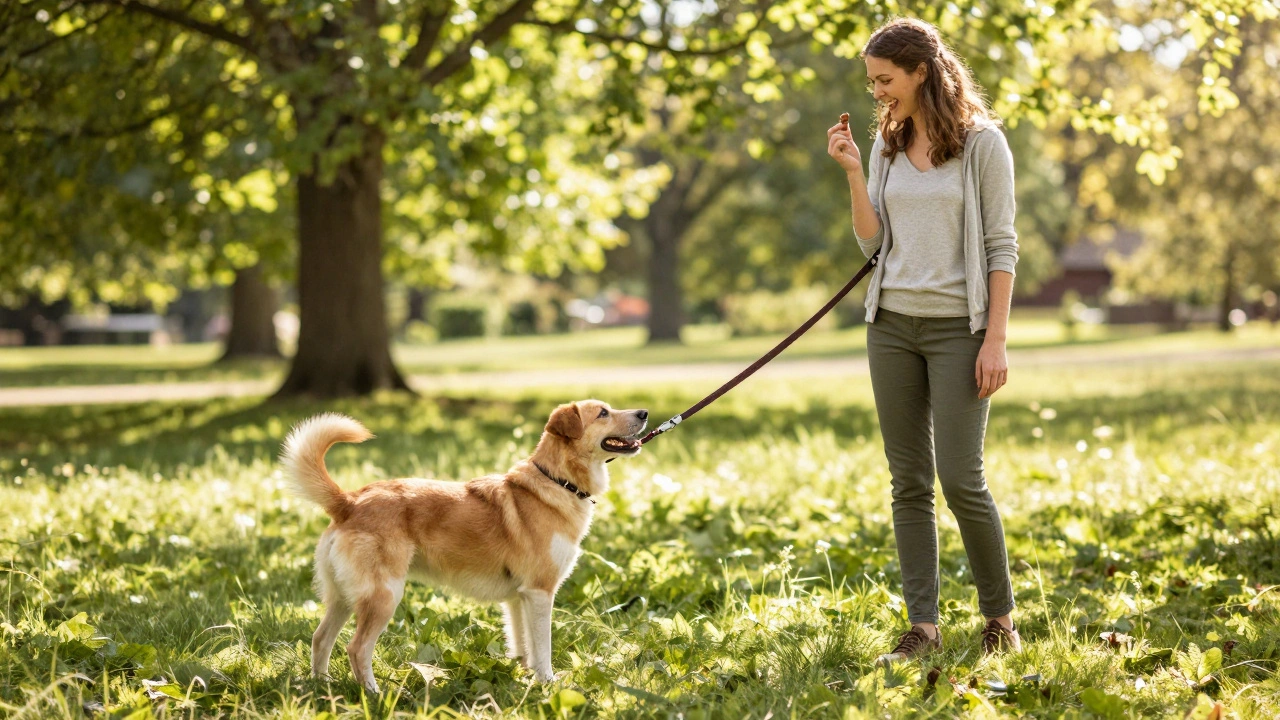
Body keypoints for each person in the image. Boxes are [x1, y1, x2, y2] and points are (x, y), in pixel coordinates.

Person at [826, 17, 1021, 662]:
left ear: (921, 72)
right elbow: (872, 241)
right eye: (872, 81)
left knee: (961, 479)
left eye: (886, 80)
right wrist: (855, 171)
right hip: (892, 327)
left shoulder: (983, 145)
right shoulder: (886, 144)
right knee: (908, 481)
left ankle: (1000, 621)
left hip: (959, 331)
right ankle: (923, 629)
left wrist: (995, 339)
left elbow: (1001, 247)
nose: (878, 92)